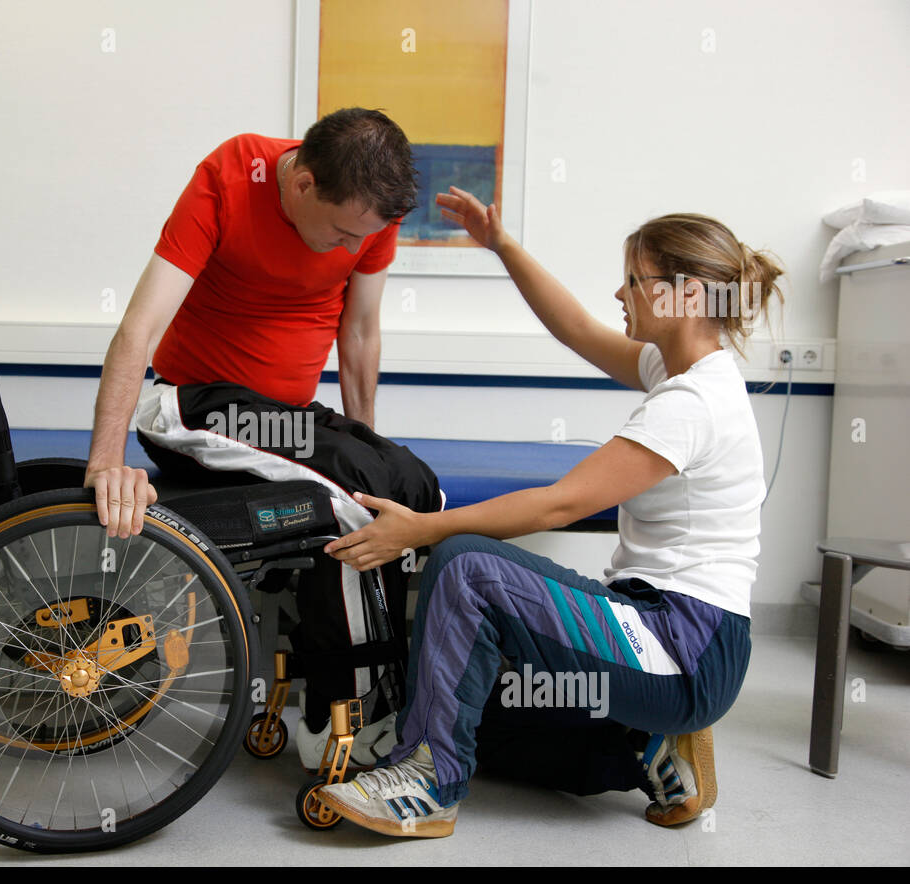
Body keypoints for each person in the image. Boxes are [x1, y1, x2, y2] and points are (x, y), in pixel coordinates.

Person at [317, 188, 784, 837]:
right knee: (485, 710)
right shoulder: (682, 372)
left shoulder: (693, 404)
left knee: (466, 563)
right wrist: (502, 244)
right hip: (661, 629)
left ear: (687, 295)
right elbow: (577, 329)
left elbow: (559, 504)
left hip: (682, 645)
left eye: (634, 280)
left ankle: (427, 783)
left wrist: (419, 531)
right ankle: (645, 747)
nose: (619, 295)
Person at [83, 109, 444, 765]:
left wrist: (364, 442)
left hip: (287, 417)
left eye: (359, 239)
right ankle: (346, 724)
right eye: (339, 233)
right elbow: (139, 326)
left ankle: (387, 694)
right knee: (348, 497)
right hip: (194, 403)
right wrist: (106, 461)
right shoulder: (228, 175)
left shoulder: (370, 217)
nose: (346, 250)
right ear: (302, 183)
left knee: (412, 487)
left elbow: (359, 332)